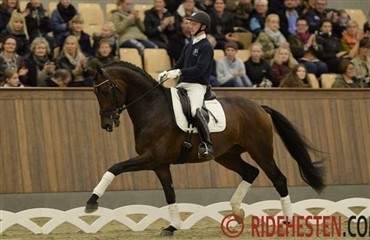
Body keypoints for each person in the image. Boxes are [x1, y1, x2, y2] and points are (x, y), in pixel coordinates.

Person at [158, 10, 214, 160]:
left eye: (194, 24)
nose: (190, 26)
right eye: (190, 23)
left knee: (194, 110)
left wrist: (178, 73)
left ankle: (207, 145)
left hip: (197, 85)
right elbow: (179, 65)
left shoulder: (206, 47)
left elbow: (199, 70)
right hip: (183, 84)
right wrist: (167, 73)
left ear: (203, 27)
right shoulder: (189, 46)